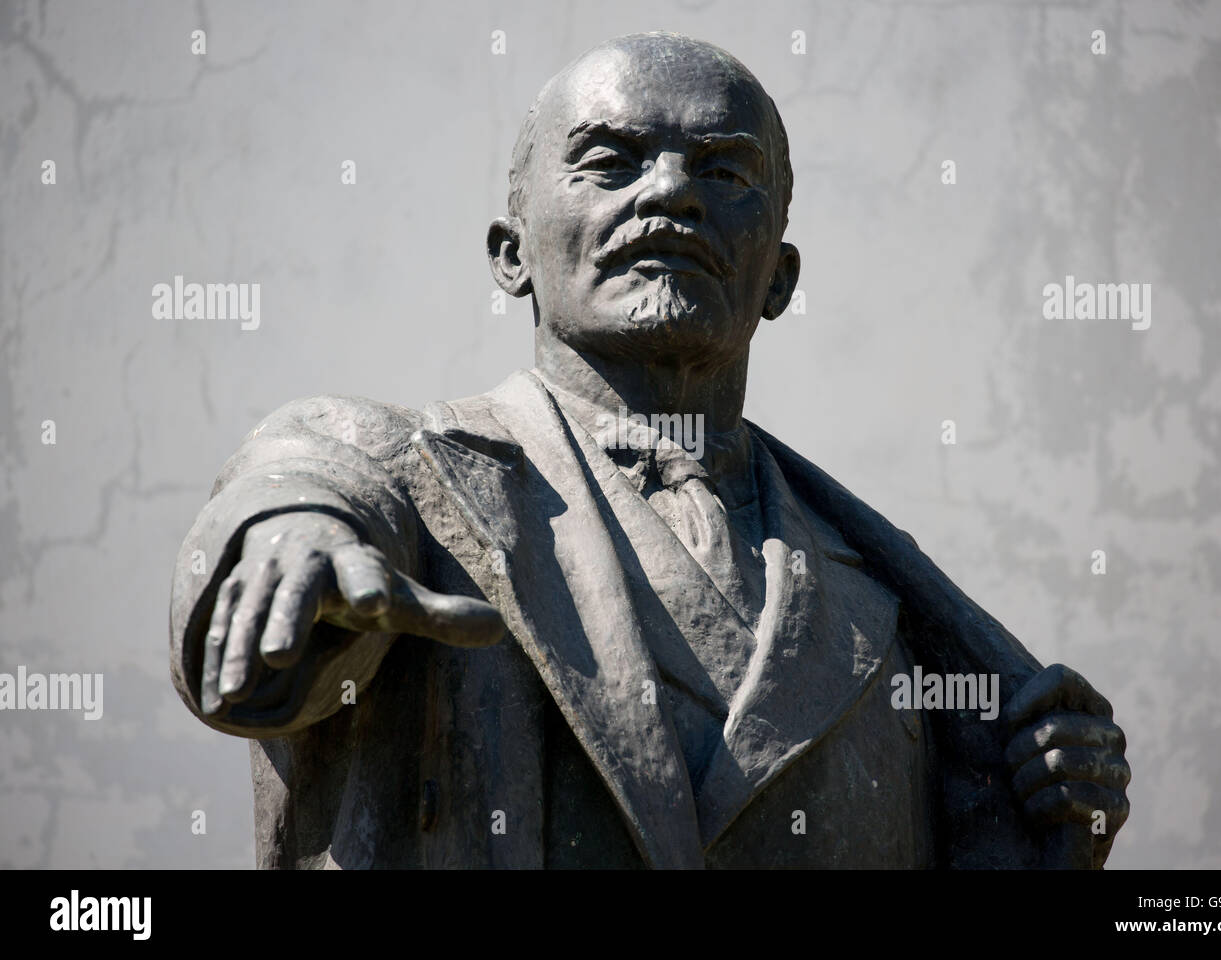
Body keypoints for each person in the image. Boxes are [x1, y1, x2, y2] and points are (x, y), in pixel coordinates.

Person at [169, 32, 1130, 868]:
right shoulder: (410, 490)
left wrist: (1039, 820)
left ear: (780, 277)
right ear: (511, 253)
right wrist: (285, 547)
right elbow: (305, 478)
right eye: (611, 161)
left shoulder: (891, 614)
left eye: (722, 170)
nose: (671, 191)